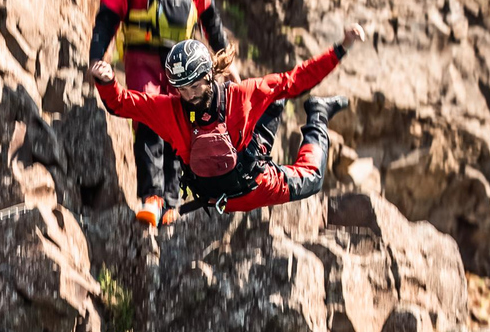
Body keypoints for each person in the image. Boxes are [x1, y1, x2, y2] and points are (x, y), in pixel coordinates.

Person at [90, 24, 366, 224]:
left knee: (313, 177)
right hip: (218, 199)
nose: (188, 95)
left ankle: (317, 113)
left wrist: (340, 48)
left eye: (194, 86)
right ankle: (309, 113)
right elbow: (122, 104)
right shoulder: (169, 108)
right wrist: (107, 82)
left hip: (257, 187)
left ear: (209, 76)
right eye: (181, 89)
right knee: (273, 103)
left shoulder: (242, 93)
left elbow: (297, 79)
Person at [89, 0, 239, 226]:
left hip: (182, 67)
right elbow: (107, 19)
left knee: (182, 126)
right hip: (143, 61)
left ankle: (172, 200)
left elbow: (212, 23)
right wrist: (97, 59)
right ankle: (151, 196)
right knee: (148, 119)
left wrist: (227, 63)